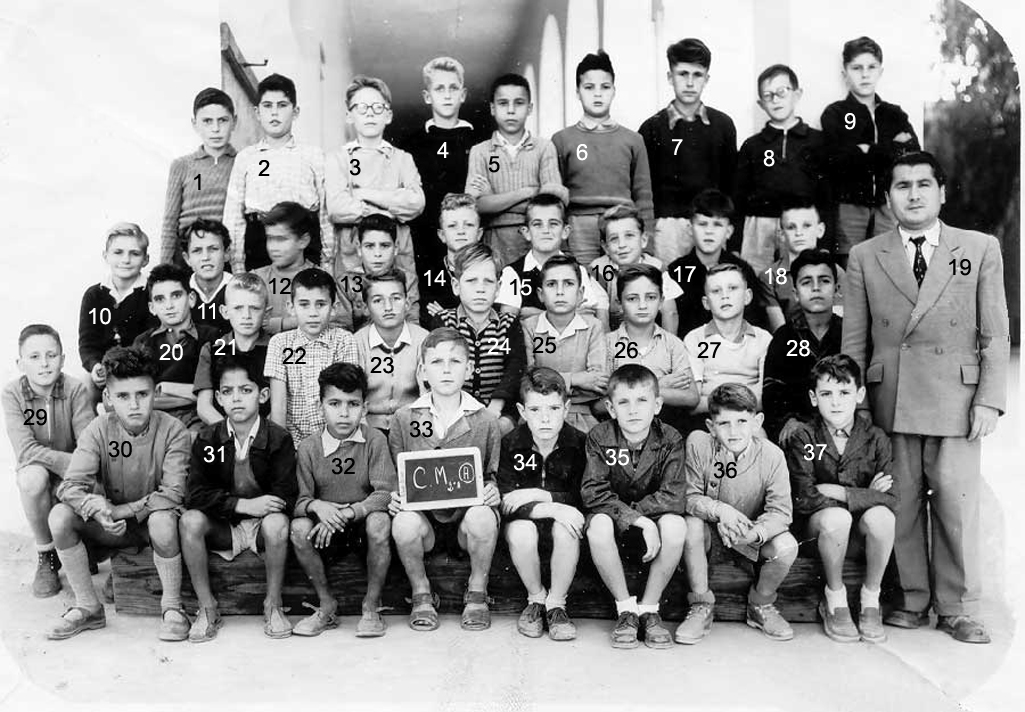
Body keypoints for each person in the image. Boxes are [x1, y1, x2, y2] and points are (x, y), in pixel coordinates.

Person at [841, 151, 1010, 644]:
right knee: (902, 504)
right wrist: (858, 407)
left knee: (957, 505)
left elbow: (995, 333)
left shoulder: (979, 248)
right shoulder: (865, 255)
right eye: (902, 186)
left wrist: (989, 399)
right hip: (890, 399)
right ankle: (912, 599)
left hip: (956, 399)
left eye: (923, 184)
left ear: (942, 192)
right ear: (887, 197)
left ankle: (958, 608)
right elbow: (855, 341)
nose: (913, 195)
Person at [46, 347, 191, 641]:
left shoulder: (174, 430)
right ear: (108, 398)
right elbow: (70, 486)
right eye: (123, 396)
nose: (134, 405)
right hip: (113, 527)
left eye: (142, 394)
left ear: (155, 393)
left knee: (163, 519)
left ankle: (173, 607)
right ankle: (88, 606)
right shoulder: (98, 429)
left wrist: (121, 510)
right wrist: (97, 508)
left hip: (154, 527)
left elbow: (173, 493)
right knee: (59, 517)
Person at [387, 328, 503, 632]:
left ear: (470, 368)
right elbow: (398, 474)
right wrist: (395, 496)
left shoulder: (486, 420)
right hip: (425, 521)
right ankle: (421, 593)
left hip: (466, 522)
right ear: (423, 371)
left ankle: (477, 591)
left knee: (483, 516)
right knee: (403, 522)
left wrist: (492, 490)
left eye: (455, 361)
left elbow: (491, 474)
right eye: (437, 362)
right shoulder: (404, 418)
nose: (447, 369)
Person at [180, 356, 298, 642]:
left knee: (278, 523)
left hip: (263, 528)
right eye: (228, 391)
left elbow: (285, 494)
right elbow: (195, 494)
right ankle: (207, 608)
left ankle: (273, 604)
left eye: (246, 390)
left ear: (263, 395)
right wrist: (241, 505)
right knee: (190, 521)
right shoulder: (208, 439)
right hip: (225, 525)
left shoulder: (278, 438)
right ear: (218, 398)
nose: (236, 398)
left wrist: (262, 508)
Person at [784, 355, 896, 644]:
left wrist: (840, 492)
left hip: (859, 536)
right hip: (819, 533)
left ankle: (871, 598)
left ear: (859, 394)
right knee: (838, 517)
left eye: (844, 392)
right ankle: (834, 597)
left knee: (882, 517)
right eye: (826, 394)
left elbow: (892, 499)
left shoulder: (876, 438)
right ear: (813, 398)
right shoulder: (804, 436)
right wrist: (867, 495)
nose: (836, 402)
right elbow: (803, 497)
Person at [678, 383, 797, 644]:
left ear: (757, 422)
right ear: (711, 426)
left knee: (787, 546)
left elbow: (781, 512)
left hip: (749, 535)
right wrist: (721, 511)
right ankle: (701, 604)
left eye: (742, 421)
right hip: (711, 532)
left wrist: (754, 534)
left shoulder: (772, 455)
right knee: (690, 525)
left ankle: (761, 604)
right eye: (724, 423)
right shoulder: (699, 443)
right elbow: (689, 496)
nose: (734, 431)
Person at [581, 364, 687, 649]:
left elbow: (674, 496)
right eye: (623, 402)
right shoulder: (600, 436)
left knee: (676, 525)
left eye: (642, 400)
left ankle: (649, 609)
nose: (633, 410)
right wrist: (639, 520)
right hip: (613, 523)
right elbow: (593, 492)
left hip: (652, 524)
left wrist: (637, 515)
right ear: (610, 408)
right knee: (598, 525)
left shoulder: (671, 438)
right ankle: (626, 609)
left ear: (657, 405)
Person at [290, 363, 396, 638]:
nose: (344, 413)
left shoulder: (375, 440)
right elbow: (299, 501)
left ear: (365, 407)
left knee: (380, 521)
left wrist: (349, 512)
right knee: (299, 528)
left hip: (362, 527)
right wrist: (317, 506)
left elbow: (385, 493)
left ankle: (371, 605)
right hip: (326, 531)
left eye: (353, 404)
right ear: (320, 407)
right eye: (334, 403)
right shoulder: (309, 447)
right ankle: (326, 605)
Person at [2, 325, 94, 597]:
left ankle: (83, 544)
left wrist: (75, 466)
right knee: (32, 478)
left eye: (51, 355)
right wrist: (68, 462)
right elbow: (25, 450)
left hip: (73, 472)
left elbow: (88, 445)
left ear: (62, 359)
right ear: (20, 363)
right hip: (47, 468)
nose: (44, 363)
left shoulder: (76, 389)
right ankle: (47, 556)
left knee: (97, 475)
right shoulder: (12, 393)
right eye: (34, 357)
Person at [497, 367, 588, 641]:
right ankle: (536, 598)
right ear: (522, 412)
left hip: (566, 530)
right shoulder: (510, 444)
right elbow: (507, 501)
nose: (545, 418)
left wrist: (542, 495)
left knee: (566, 527)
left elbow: (585, 496)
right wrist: (553, 507)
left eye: (554, 408)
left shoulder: (580, 444)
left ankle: (557, 604)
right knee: (520, 530)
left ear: (566, 409)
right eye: (535, 409)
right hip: (525, 529)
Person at [820, 36, 920, 267]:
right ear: (845, 74)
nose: (865, 74)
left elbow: (912, 157)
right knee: (851, 268)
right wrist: (891, 148)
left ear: (880, 72)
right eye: (857, 68)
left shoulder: (894, 114)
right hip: (849, 206)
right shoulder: (835, 113)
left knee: (889, 266)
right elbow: (839, 161)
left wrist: (866, 150)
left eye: (871, 67)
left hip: (888, 205)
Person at [638, 38, 737, 266]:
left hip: (711, 223)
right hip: (668, 228)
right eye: (683, 74)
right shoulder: (652, 128)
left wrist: (730, 236)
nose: (690, 83)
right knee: (671, 283)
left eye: (697, 75)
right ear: (670, 77)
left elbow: (731, 185)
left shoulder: (723, 125)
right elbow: (644, 190)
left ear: (707, 79)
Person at [551, 50, 653, 266]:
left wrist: (648, 246)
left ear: (614, 90)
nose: (597, 94)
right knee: (585, 280)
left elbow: (644, 197)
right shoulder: (562, 139)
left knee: (625, 281)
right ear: (578, 92)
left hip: (623, 225)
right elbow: (557, 198)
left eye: (605, 87)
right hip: (580, 228)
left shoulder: (633, 140)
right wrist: (563, 241)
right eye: (589, 87)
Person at [223, 73, 328, 271]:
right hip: (259, 242)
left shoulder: (313, 155)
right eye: (267, 106)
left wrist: (327, 261)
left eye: (282, 105)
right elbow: (233, 216)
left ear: (295, 112)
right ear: (257, 112)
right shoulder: (246, 158)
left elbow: (326, 213)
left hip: (302, 240)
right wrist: (237, 266)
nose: (274, 113)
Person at [734, 64, 830, 276]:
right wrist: (735, 243)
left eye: (782, 92)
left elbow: (826, 196)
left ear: (797, 94)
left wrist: (826, 242)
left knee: (800, 278)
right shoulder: (752, 146)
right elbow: (738, 197)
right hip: (760, 228)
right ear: (761, 103)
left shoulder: (818, 141)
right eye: (768, 95)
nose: (775, 100)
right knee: (757, 280)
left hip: (800, 225)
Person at [325, 75, 424, 279]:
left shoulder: (403, 158)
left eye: (378, 107)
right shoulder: (338, 158)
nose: (370, 113)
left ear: (388, 115)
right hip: (352, 254)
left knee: (399, 294)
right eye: (362, 107)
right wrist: (388, 209)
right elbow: (337, 208)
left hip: (398, 251)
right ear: (349, 115)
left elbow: (416, 203)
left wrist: (362, 193)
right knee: (355, 296)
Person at [466, 73, 568, 267]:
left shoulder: (544, 148)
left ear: (530, 108)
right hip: (495, 241)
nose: (511, 110)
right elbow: (476, 206)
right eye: (503, 103)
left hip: (537, 237)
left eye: (519, 103)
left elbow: (554, 200)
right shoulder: (480, 152)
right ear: (492, 108)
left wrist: (494, 200)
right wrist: (528, 192)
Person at [400, 57, 479, 290]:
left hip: (466, 238)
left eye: (453, 88)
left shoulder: (478, 141)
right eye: (439, 89)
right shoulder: (411, 144)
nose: (447, 95)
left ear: (463, 94)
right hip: (424, 238)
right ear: (427, 96)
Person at [433, 243, 526, 434]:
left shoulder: (508, 323)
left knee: (502, 430)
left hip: (499, 411)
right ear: (456, 286)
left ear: (498, 288)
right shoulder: (444, 321)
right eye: (471, 281)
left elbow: (515, 368)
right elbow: (442, 370)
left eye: (488, 282)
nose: (480, 289)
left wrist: (496, 407)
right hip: (455, 411)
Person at [668, 189, 783, 338]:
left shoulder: (743, 270)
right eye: (702, 224)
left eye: (717, 225)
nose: (709, 231)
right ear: (690, 229)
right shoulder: (676, 271)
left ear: (729, 232)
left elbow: (754, 318)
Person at [265, 267, 358, 445]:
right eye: (304, 304)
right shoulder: (279, 343)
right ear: (291, 308)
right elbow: (278, 407)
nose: (313, 313)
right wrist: (282, 451)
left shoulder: (344, 340)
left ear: (334, 308)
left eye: (321, 304)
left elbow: (345, 397)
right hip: (293, 443)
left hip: (336, 441)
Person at [762, 249, 843, 442]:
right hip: (798, 430)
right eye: (806, 282)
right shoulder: (784, 337)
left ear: (837, 289)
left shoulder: (849, 333)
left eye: (824, 281)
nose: (816, 288)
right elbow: (772, 388)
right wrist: (787, 420)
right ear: (796, 293)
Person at [605, 264, 697, 431]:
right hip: (619, 431)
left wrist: (628, 392)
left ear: (661, 301)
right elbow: (598, 404)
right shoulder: (607, 344)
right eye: (632, 298)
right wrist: (658, 385)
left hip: (665, 429)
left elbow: (691, 397)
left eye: (651, 297)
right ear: (619, 303)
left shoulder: (673, 344)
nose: (642, 305)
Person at [522, 255, 608, 433]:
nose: (560, 292)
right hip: (537, 412)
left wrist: (547, 380)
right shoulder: (529, 327)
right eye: (551, 284)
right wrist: (576, 379)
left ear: (580, 294)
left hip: (581, 414)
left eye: (568, 284)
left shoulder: (593, 327)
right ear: (541, 294)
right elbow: (528, 382)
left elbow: (597, 383)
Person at [496, 192, 609, 325]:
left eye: (553, 224)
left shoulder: (578, 270)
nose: (546, 230)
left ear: (565, 231)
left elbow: (586, 316)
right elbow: (508, 320)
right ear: (526, 232)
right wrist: (569, 314)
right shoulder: (513, 273)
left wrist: (535, 314)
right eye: (537, 224)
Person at [133, 264, 220, 431]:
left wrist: (167, 388)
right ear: (152, 308)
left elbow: (219, 392)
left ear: (191, 299)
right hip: (153, 419)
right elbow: (138, 395)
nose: (169, 305)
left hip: (198, 418)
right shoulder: (143, 342)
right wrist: (195, 394)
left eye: (176, 295)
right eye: (160, 299)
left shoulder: (211, 337)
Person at [78, 222, 157, 403]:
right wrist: (95, 366)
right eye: (118, 252)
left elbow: (152, 341)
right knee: (84, 386)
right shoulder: (94, 295)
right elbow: (87, 343)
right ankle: (93, 422)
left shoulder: (152, 293)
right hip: (106, 370)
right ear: (105, 256)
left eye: (134, 253)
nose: (126, 260)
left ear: (145, 259)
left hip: (140, 371)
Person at [160, 87, 237, 268]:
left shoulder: (243, 162)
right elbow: (170, 222)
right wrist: (164, 269)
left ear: (234, 122)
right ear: (195, 124)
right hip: (188, 253)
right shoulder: (182, 165)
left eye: (223, 120)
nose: (216, 129)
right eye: (207, 121)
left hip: (225, 253)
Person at [683, 263, 772, 415]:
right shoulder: (695, 339)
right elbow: (693, 401)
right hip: (707, 418)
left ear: (747, 297)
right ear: (706, 303)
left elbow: (765, 398)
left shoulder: (763, 339)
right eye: (716, 291)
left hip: (749, 419)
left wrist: (717, 401)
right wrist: (742, 400)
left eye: (732, 288)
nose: (725, 296)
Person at [420, 193, 521, 322]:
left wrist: (447, 318)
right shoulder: (428, 275)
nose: (461, 231)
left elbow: (503, 325)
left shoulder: (504, 274)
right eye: (452, 226)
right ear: (442, 235)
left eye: (468, 225)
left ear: (479, 233)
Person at [354, 270, 429, 435]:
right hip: (367, 428)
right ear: (366, 308)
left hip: (413, 427)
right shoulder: (356, 343)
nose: (388, 307)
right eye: (378, 300)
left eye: (396, 298)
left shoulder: (423, 340)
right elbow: (353, 398)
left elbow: (429, 395)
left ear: (407, 303)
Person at [193, 273, 272, 426]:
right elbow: (204, 407)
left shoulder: (276, 348)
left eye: (255, 308)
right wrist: (231, 433)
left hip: (266, 431)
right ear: (224, 311)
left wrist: (259, 433)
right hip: (222, 429)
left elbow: (280, 405)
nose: (246, 316)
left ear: (266, 313)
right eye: (238, 308)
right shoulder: (212, 350)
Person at [588, 204, 681, 332]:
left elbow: (670, 312)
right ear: (605, 247)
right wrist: (609, 344)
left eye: (629, 236)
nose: (622, 245)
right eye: (614, 239)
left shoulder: (656, 268)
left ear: (643, 240)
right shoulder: (600, 270)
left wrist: (669, 343)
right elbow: (601, 316)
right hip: (614, 335)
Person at [335, 213, 420, 333]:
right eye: (369, 246)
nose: (377, 254)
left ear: (396, 248)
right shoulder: (347, 282)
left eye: (385, 246)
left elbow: (412, 324)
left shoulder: (408, 279)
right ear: (359, 249)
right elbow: (340, 328)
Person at [764, 198, 845, 318]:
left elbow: (837, 319)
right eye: (791, 227)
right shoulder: (770, 275)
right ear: (781, 235)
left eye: (806, 226)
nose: (799, 233)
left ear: (820, 230)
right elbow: (778, 325)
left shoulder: (837, 272)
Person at [253, 201, 318, 335]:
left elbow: (334, 321)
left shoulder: (321, 279)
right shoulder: (255, 279)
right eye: (270, 238)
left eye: (281, 239)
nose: (273, 247)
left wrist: (282, 323)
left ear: (303, 241)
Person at [181, 218, 232, 333]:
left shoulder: (240, 289)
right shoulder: (181, 291)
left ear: (226, 253)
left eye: (213, 249)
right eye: (197, 251)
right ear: (187, 258)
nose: (205, 257)